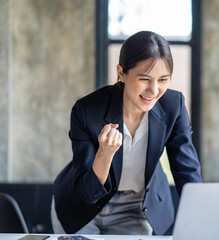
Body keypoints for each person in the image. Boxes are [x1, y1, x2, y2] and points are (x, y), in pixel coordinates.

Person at [51, 31, 202, 235]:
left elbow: (186, 169)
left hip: (135, 207)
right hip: (80, 208)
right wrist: (104, 154)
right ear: (121, 73)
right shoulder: (87, 110)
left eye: (163, 79)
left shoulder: (173, 106)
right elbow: (87, 192)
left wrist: (202, 219)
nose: (154, 90)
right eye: (144, 79)